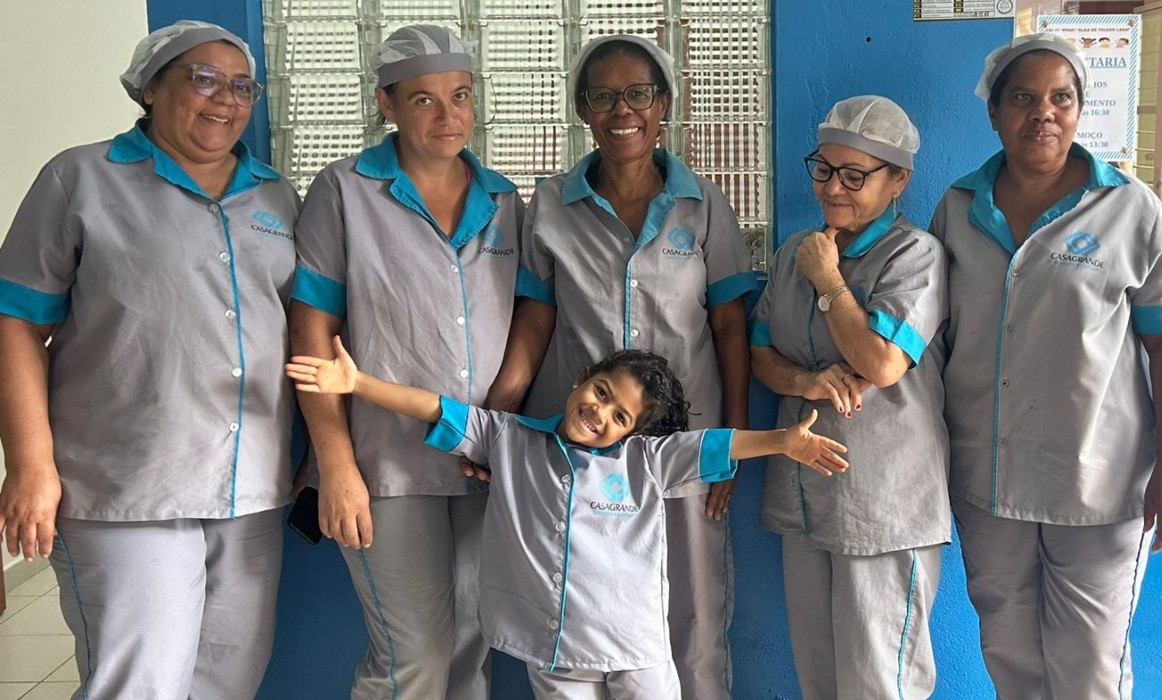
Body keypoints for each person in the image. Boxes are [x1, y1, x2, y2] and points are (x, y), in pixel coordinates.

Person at [0, 20, 299, 698]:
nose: (224, 99)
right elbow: (15, 324)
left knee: (227, 682)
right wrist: (29, 466)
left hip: (247, 486)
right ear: (149, 89)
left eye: (241, 86)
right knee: (137, 685)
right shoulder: (80, 178)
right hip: (123, 484)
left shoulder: (275, 196)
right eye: (202, 79)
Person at [287, 340, 847, 699]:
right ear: (582, 377)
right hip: (556, 652)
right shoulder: (510, 440)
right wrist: (357, 385)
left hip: (636, 648)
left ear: (634, 431)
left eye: (619, 415)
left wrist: (783, 442)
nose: (599, 413)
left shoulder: (646, 460)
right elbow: (437, 408)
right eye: (600, 393)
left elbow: (715, 443)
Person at [482, 34, 756, 698]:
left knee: (692, 605)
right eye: (603, 96)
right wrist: (500, 421)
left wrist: (734, 445)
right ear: (582, 109)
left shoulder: (704, 204)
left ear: (664, 104)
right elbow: (536, 321)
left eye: (639, 93)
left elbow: (728, 324)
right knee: (586, 611)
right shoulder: (548, 205)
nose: (622, 110)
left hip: (684, 448)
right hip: (584, 456)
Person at [930, 33, 1162, 699]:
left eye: (1061, 98)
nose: (1043, 113)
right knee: (1010, 657)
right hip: (988, 482)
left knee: (1089, 670)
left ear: (1081, 111)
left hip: (1101, 487)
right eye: (1023, 98)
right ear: (993, 112)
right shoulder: (959, 209)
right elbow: (934, 344)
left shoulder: (1129, 208)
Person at [288, 24, 523, 699]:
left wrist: (498, 419)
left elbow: (530, 315)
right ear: (385, 104)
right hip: (384, 464)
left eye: (460, 96)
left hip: (481, 460)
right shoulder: (343, 193)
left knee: (472, 646)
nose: (448, 117)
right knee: (412, 657)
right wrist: (335, 465)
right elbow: (312, 335)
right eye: (423, 100)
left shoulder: (506, 202)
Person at [750, 95, 950, 698]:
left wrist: (830, 280)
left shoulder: (915, 255)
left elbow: (882, 363)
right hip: (806, 499)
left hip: (885, 506)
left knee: (878, 682)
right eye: (824, 169)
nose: (833, 188)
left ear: (899, 182)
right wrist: (805, 382)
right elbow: (760, 355)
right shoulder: (794, 254)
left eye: (855, 176)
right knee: (821, 679)